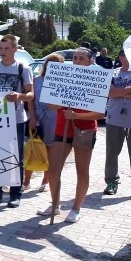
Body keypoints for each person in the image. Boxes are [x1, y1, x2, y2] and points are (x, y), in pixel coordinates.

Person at [38, 47, 103, 223]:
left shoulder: (97, 80)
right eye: (75, 58)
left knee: (82, 170)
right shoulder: (62, 77)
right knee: (53, 168)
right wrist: (62, 103)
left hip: (85, 130)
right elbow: (51, 105)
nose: (77, 61)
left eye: (82, 58)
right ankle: (55, 204)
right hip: (62, 129)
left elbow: (99, 114)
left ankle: (76, 208)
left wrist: (76, 115)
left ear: (91, 61)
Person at [0, 34, 34, 208]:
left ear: (15, 49)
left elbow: (31, 94)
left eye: (6, 48)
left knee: (15, 157)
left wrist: (19, 96)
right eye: (1, 48)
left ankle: (15, 194)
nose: (2, 52)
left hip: (16, 119)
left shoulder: (22, 69)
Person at [102, 49, 131, 198]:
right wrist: (130, 89)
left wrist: (120, 92)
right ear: (121, 57)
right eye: (126, 55)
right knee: (112, 152)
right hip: (114, 119)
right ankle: (111, 182)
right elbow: (109, 92)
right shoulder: (113, 73)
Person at [24, 53, 64, 192]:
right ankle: (26, 181)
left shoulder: (62, 83)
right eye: (49, 63)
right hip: (38, 115)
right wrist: (33, 118)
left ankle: (45, 181)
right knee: (33, 149)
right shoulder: (36, 80)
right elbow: (31, 101)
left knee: (50, 151)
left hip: (54, 117)